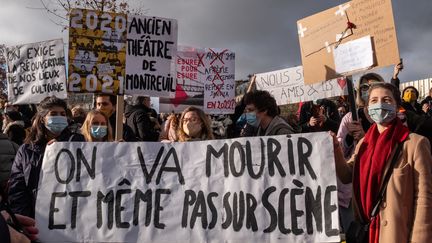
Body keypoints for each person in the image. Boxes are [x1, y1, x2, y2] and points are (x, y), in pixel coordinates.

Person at [333, 82, 432, 242]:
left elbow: (424, 197)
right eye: (374, 101)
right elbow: (346, 176)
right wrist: (336, 148)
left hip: (397, 234)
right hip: (367, 233)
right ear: (367, 109)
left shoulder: (415, 143)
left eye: (386, 100)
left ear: (397, 106)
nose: (380, 104)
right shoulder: (363, 144)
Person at [8, 96, 85, 218]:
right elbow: (17, 190)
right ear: (43, 119)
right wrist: (25, 222)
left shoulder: (79, 142)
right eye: (53, 114)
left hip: (72, 217)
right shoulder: (26, 150)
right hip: (37, 219)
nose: (59, 117)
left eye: (62, 114)